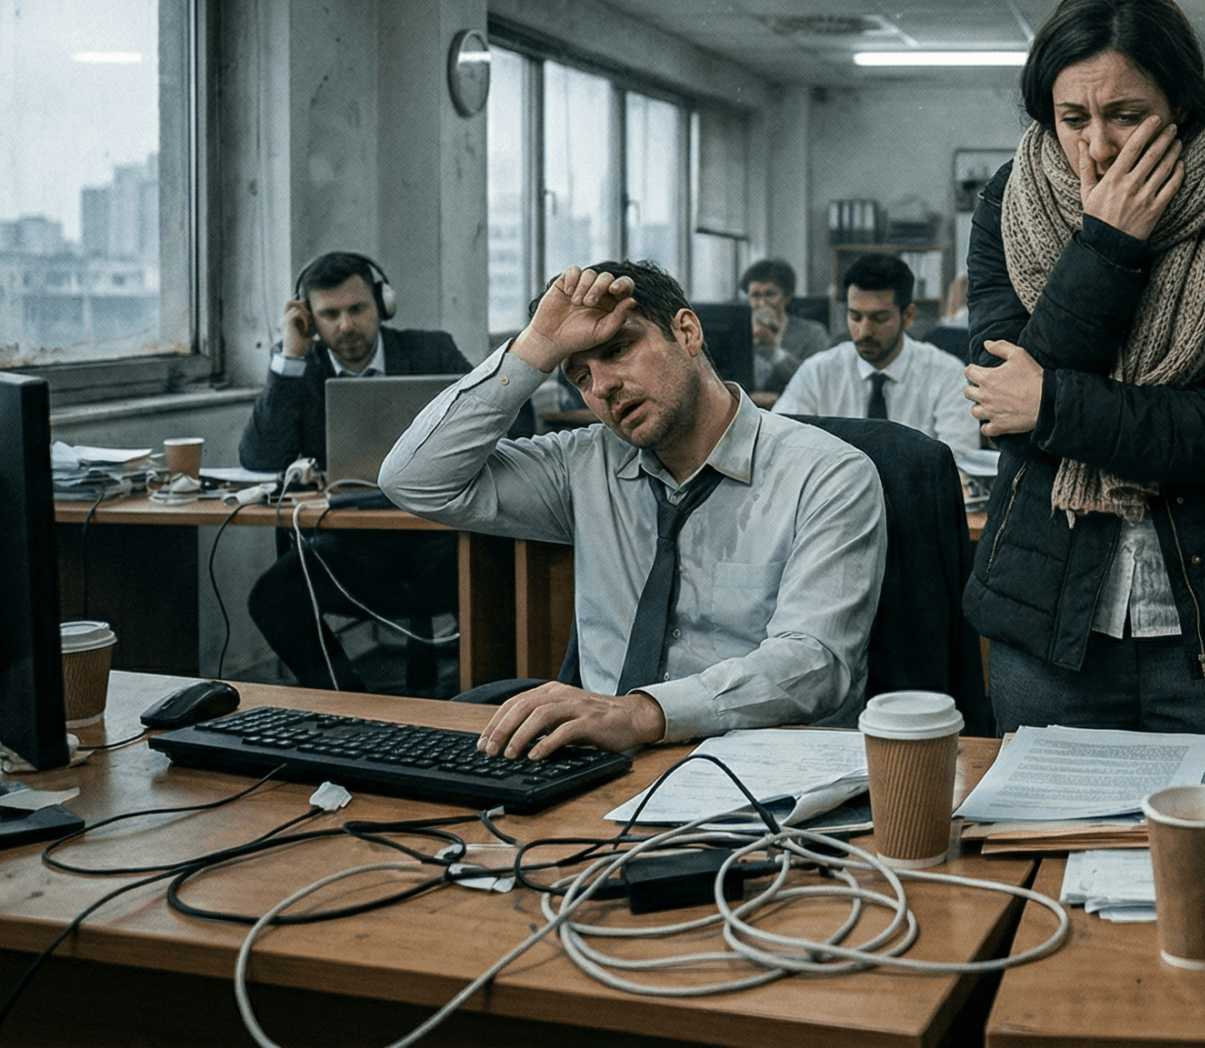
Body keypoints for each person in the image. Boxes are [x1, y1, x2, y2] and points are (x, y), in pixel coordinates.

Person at [961, 0, 1205, 745]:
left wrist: (1054, 404)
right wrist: (1106, 247)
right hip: (1048, 616)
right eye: (1072, 118)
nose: (1098, 146)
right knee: (1046, 851)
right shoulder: (1006, 205)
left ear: (1180, 108)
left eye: (1127, 116)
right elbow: (1004, 415)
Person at [379, 260, 886, 757]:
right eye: (580, 375)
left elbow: (813, 663)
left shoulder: (827, 473)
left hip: (757, 766)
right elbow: (414, 480)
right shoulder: (582, 464)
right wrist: (533, 350)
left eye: (618, 350)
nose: (601, 387)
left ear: (687, 332)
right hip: (601, 762)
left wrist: (642, 714)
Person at [237, 251, 471, 692]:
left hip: (441, 538)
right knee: (273, 599)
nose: (345, 325)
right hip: (351, 547)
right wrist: (290, 356)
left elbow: (501, 423)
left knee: (500, 573)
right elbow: (260, 457)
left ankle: (483, 704)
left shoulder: (431, 351)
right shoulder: (299, 368)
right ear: (309, 318)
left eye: (357, 309)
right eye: (330, 314)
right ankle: (349, 702)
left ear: (383, 304)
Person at [777, 252, 994, 478]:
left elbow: (957, 462)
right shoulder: (818, 371)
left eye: (879, 318)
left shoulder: (946, 374)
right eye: (855, 317)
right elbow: (780, 442)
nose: (865, 330)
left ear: (908, 316)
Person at [743, 257, 830, 376]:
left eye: (770, 294)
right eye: (755, 295)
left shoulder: (813, 333)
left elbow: (819, 380)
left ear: (787, 297)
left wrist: (773, 349)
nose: (762, 303)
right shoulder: (737, 332)